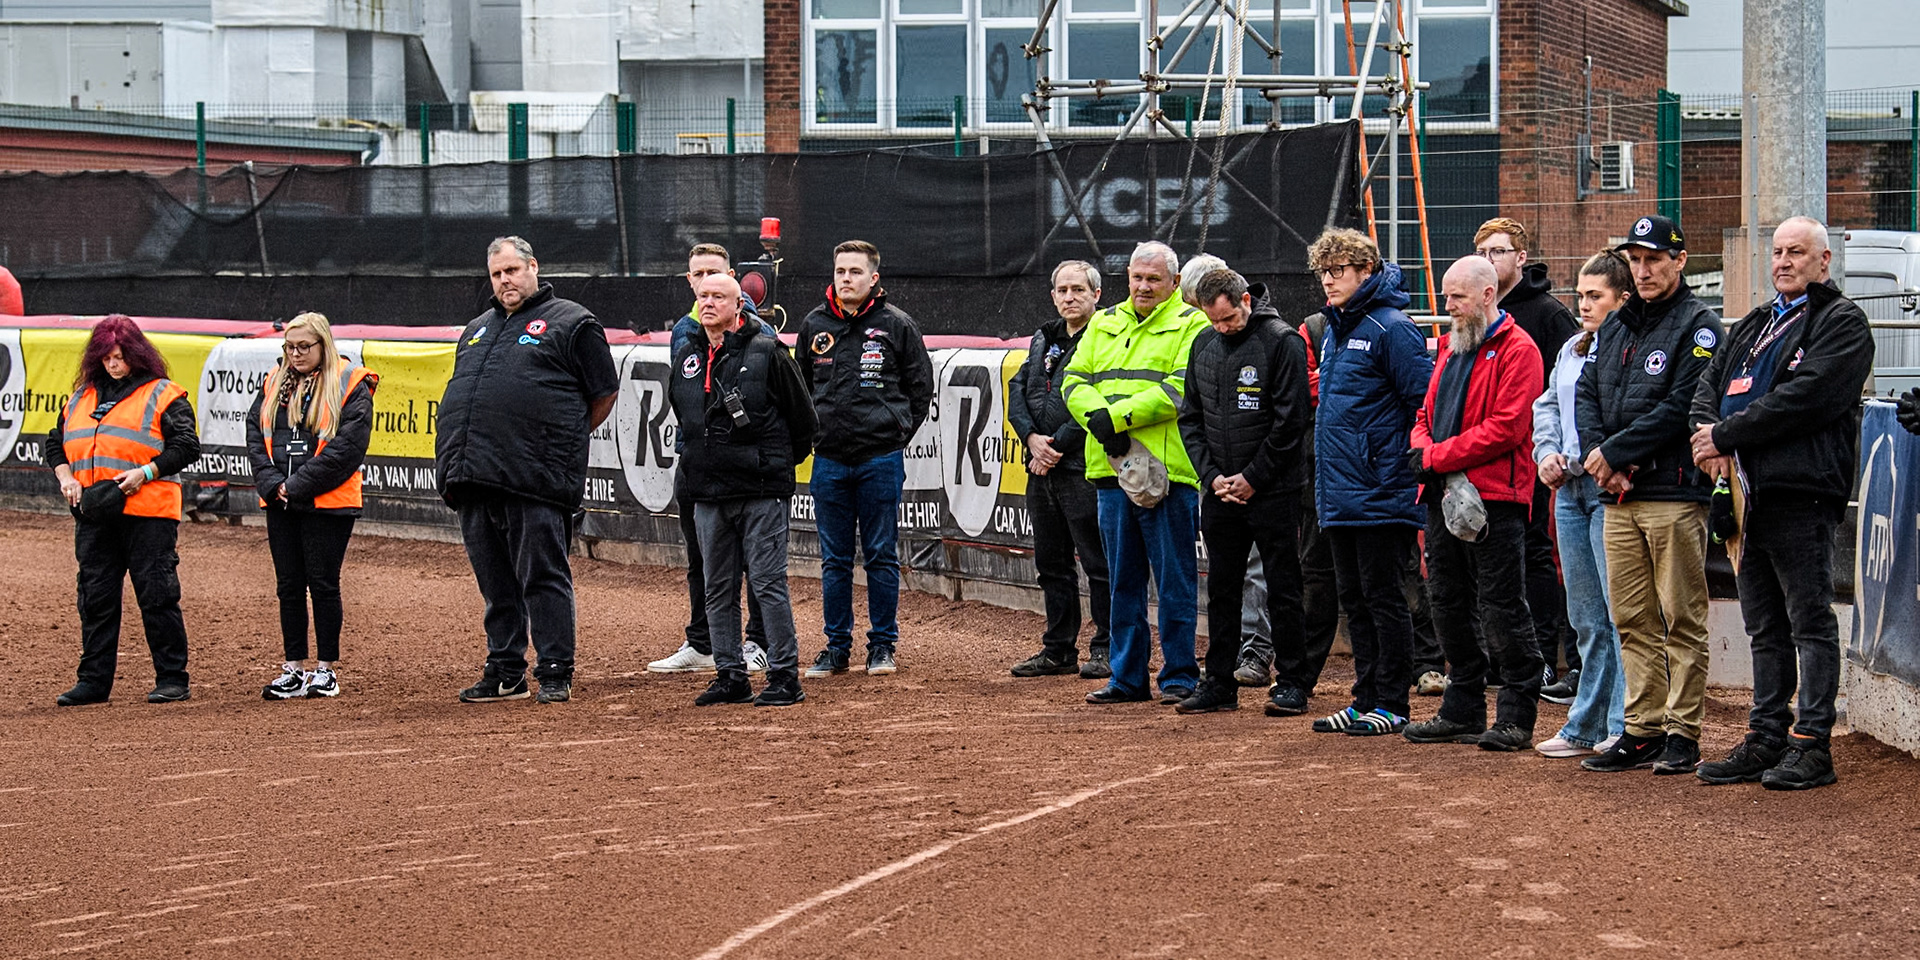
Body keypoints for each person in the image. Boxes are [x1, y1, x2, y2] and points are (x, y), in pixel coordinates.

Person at [1691, 217, 1875, 790]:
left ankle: (1812, 743)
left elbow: (1807, 397)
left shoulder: (1842, 322)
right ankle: (1765, 736)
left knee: (1809, 622)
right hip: (1744, 500)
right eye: (1777, 252)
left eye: (1797, 252)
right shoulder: (1754, 324)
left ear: (1824, 261)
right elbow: (1707, 382)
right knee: (1763, 628)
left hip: (1801, 494)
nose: (1783, 261)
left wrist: (1728, 434)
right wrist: (1706, 434)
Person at [437, 236, 619, 704]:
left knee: (542, 576)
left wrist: (558, 440)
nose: (505, 281)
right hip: (474, 475)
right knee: (495, 582)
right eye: (497, 274)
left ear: (533, 267)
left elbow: (603, 393)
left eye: (512, 271)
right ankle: (505, 671)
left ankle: (555, 669)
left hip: (535, 477)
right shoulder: (477, 327)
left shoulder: (573, 322)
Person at [1575, 214, 1723, 774]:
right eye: (1635, 261)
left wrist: (1615, 455)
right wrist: (1599, 457)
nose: (1642, 270)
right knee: (1631, 618)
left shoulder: (1700, 325)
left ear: (1679, 262)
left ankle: (1683, 731)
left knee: (1680, 616)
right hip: (1618, 497)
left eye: (1654, 259)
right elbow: (1586, 392)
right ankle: (1642, 728)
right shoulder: (1615, 325)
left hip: (1674, 493)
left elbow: (1684, 404)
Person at [1401, 257, 1546, 751]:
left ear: (1487, 294)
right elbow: (1425, 411)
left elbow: (1508, 428)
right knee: (1445, 600)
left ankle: (1516, 714)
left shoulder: (1519, 349)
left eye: (1457, 297)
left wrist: (1433, 456)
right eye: (1446, 296)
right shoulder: (1450, 346)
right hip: (1444, 495)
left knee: (1502, 605)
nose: (1448, 306)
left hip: (1495, 499)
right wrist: (1425, 449)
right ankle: (1462, 707)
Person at [1064, 241, 1209, 705]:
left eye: (1154, 279)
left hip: (1169, 476)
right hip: (1110, 470)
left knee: (1175, 583)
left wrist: (1116, 419)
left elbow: (1181, 389)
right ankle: (1126, 677)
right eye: (1137, 278)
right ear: (1127, 277)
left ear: (1174, 283)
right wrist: (1099, 421)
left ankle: (1180, 677)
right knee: (1121, 580)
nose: (1143, 286)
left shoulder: (1193, 323)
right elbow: (1073, 381)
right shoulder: (1103, 321)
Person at [1305, 228, 1434, 736]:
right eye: (1324, 272)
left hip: (1382, 489)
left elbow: (1421, 404)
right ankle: (1364, 699)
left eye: (1339, 271)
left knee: (1383, 598)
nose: (1329, 281)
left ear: (1366, 271)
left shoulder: (1391, 328)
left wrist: (1395, 468)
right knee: (1353, 598)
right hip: (1340, 489)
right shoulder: (1337, 328)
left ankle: (1393, 702)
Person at [671, 273, 817, 707]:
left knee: (768, 583)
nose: (709, 303)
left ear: (740, 305)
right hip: (708, 492)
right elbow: (684, 418)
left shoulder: (769, 351)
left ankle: (785, 676)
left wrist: (772, 468)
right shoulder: (686, 356)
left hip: (760, 490)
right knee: (717, 587)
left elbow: (804, 421)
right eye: (703, 297)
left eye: (719, 296)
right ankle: (730, 674)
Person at [1174, 268, 1312, 714]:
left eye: (1229, 319)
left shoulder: (1282, 340)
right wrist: (1211, 476)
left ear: (1247, 301)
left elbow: (1290, 423)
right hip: (1219, 492)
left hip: (1273, 491)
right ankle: (1218, 683)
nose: (1222, 328)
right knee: (1222, 587)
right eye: (1214, 320)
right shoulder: (1202, 344)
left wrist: (1253, 478)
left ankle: (1292, 681)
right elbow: (1190, 419)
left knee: (1283, 586)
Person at [796, 240, 935, 679]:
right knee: (834, 560)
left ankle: (882, 646)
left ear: (874, 278)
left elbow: (920, 390)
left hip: (880, 459)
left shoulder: (898, 325)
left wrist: (895, 434)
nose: (846, 279)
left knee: (880, 554)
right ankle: (836, 648)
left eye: (855, 272)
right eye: (840, 271)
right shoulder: (814, 325)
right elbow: (799, 391)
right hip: (830, 461)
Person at [49, 315, 200, 706]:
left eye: (119, 357)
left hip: (148, 511)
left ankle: (172, 678)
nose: (113, 365)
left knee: (157, 595)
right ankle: (93, 683)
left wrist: (146, 472)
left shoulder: (164, 394)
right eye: (106, 358)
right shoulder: (81, 397)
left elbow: (186, 445)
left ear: (137, 354)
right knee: (95, 599)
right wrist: (66, 477)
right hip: (94, 513)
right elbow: (55, 444)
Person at [649, 243, 774, 676]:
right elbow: (682, 402)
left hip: (748, 469)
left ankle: (758, 642)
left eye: (714, 275)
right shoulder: (684, 331)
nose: (706, 284)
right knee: (701, 558)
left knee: (758, 563)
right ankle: (702, 642)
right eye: (698, 276)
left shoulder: (761, 334)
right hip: (697, 465)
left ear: (734, 281)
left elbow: (784, 408)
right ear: (689, 281)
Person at [1531, 250, 1633, 758]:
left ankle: (1620, 723)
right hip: (1569, 490)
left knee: (1619, 616)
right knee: (1587, 617)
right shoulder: (1572, 347)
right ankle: (1585, 724)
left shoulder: (1628, 348)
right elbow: (1548, 404)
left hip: (1610, 489)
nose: (1584, 305)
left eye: (1596, 296)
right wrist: (1545, 451)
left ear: (1622, 299)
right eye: (1581, 296)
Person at [248, 313, 378, 700]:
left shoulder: (350, 383)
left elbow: (348, 449)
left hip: (327, 503)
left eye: (304, 347)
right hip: (280, 501)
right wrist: (273, 485)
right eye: (290, 347)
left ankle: (325, 670)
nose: (296, 354)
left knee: (322, 584)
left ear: (323, 344)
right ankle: (294, 668)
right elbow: (256, 434)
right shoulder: (274, 381)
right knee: (288, 586)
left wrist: (297, 486)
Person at [1475, 218, 1579, 699]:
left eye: (1499, 251)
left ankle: (1541, 659)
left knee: (1537, 553)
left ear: (1521, 258)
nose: (1491, 259)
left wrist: (1552, 447)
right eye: (1483, 252)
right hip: (1484, 461)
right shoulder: (1475, 312)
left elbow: (1571, 389)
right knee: (1493, 559)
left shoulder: (1548, 316)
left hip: (1537, 459)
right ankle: (1503, 655)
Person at [1006, 260, 1113, 679]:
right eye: (1062, 290)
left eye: (1078, 290)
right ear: (1053, 295)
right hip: (1040, 469)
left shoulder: (1106, 337)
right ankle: (1058, 649)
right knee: (1051, 564)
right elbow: (1018, 388)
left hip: (1082, 468)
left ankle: (1106, 648)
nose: (1069, 297)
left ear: (1096, 295)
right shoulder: (1042, 337)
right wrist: (1031, 438)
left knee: (1098, 564)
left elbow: (1099, 396)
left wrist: (1056, 445)